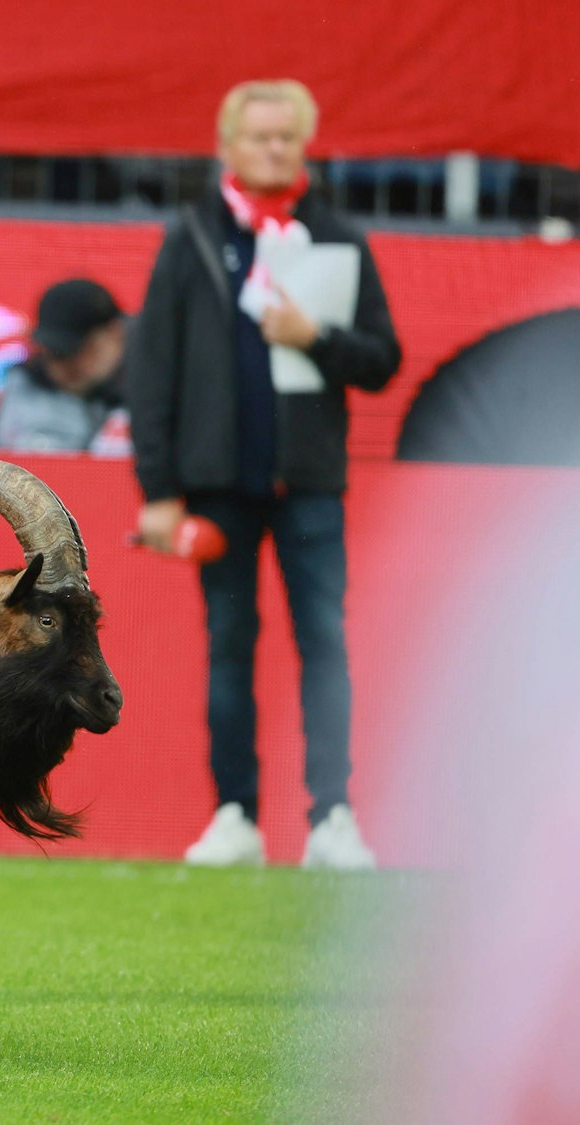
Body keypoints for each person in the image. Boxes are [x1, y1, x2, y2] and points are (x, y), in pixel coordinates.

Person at [125, 79, 400, 870]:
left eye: (288, 138)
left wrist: (316, 336)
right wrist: (160, 490)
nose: (275, 150)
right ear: (229, 146)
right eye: (260, 137)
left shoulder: (338, 236)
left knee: (325, 641)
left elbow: (383, 359)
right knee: (229, 646)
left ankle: (332, 817)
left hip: (310, 482)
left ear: (305, 143)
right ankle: (235, 814)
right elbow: (154, 373)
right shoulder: (194, 237)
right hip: (219, 486)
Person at [0, 278, 128, 454]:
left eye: (75, 350)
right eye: (53, 352)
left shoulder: (153, 390)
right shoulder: (25, 387)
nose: (61, 365)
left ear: (115, 334)